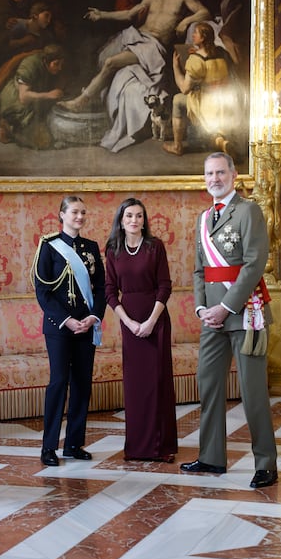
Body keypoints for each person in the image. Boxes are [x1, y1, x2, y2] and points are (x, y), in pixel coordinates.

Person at [180, 152, 278, 489]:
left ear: (233, 175)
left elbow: (254, 263)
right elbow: (198, 271)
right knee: (208, 385)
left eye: (220, 172)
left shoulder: (248, 211)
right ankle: (211, 457)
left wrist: (226, 307)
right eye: (209, 173)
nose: (214, 179)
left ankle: (266, 462)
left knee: (252, 393)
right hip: (212, 319)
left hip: (245, 314)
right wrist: (202, 309)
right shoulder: (202, 218)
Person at [59, 0, 210, 152]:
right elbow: (129, 14)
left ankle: (82, 100)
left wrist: (185, 21)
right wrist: (102, 15)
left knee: (110, 62)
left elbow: (204, 12)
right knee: (103, 55)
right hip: (136, 37)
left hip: (153, 47)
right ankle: (95, 95)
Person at [30, 195, 106, 467]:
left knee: (83, 384)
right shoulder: (49, 247)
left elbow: (100, 288)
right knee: (59, 382)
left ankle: (74, 444)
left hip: (86, 326)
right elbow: (43, 292)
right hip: (59, 328)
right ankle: (48, 447)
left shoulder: (92, 247)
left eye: (83, 212)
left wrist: (94, 316)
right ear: (62, 215)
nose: (80, 217)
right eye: (74, 212)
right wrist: (67, 320)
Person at [105, 198, 178, 462]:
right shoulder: (112, 250)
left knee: (157, 383)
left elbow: (165, 286)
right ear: (121, 222)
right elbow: (110, 292)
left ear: (144, 220)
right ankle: (136, 448)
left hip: (155, 319)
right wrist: (128, 322)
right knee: (136, 387)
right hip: (130, 322)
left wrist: (150, 322)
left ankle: (162, 447)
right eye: (129, 217)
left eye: (139, 216)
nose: (134, 221)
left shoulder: (154, 247)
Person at [163, 21, 238, 156]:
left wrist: (175, 67)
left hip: (207, 104)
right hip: (223, 102)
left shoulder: (195, 60)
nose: (193, 35)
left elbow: (184, 89)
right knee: (214, 132)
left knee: (177, 100)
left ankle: (177, 146)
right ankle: (222, 143)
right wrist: (198, 53)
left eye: (196, 33)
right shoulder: (221, 54)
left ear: (203, 38)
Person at [0, 43, 66, 148]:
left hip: (34, 101)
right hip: (16, 102)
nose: (59, 68)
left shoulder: (48, 66)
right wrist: (48, 95)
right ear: (45, 61)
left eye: (61, 64)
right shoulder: (29, 65)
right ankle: (9, 127)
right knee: (44, 142)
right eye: (56, 64)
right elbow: (23, 97)